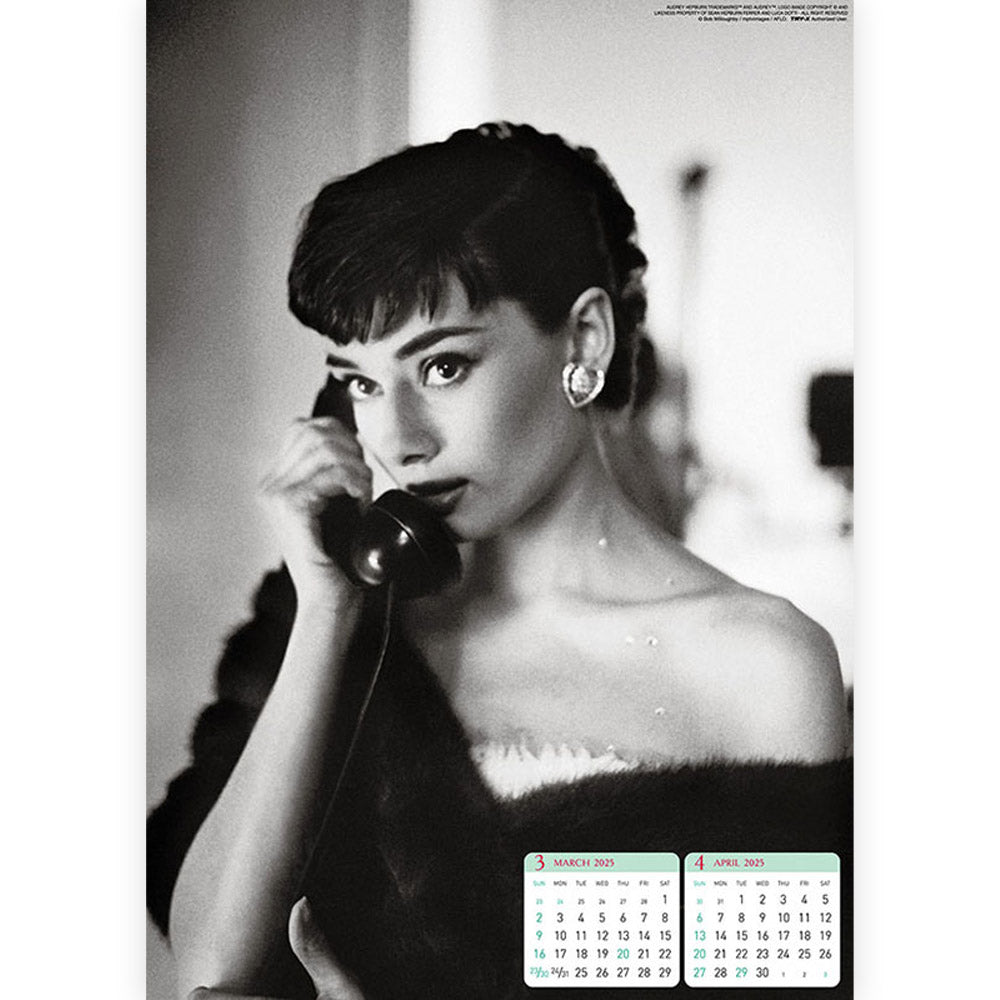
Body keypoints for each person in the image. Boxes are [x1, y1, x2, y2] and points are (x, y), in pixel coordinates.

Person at [148, 123, 850, 1000]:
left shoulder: (767, 667)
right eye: (362, 383)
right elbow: (211, 970)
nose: (398, 439)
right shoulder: (338, 615)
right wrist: (325, 615)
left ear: (584, 341)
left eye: (443, 366)